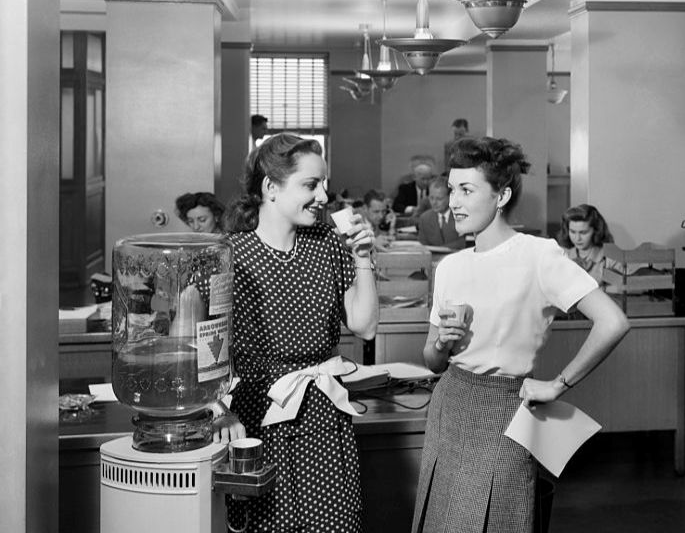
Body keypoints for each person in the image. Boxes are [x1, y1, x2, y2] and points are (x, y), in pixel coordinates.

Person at [412, 136, 631, 533]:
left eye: (466, 190)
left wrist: (559, 384)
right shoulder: (450, 266)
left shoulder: (538, 255)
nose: (453, 201)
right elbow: (431, 360)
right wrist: (442, 342)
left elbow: (612, 322)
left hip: (503, 412)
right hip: (449, 405)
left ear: (501, 195)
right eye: (451, 190)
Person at [216, 132, 379, 532]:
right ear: (271, 188)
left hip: (324, 413)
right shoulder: (229, 253)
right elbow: (205, 345)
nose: (324, 195)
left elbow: (365, 325)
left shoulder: (326, 244)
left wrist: (363, 258)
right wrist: (219, 410)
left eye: (323, 183)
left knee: (334, 522)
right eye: (311, 184)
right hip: (258, 416)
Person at [555, 204, 624, 282]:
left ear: (596, 231)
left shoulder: (610, 258)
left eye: (583, 233)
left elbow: (630, 287)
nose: (577, 238)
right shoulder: (562, 255)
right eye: (573, 232)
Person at [416, 176, 464, 249]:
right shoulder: (424, 218)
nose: (434, 202)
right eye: (431, 198)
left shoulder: (463, 216)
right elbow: (423, 247)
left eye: (439, 199)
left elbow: (465, 244)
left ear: (450, 197)